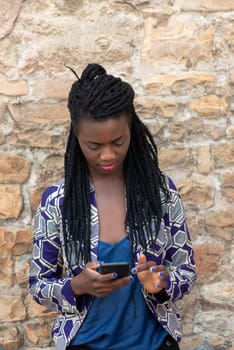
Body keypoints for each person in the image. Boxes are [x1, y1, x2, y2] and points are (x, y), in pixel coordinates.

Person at [29, 63, 196, 350]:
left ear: (131, 128)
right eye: (94, 145)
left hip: (154, 343)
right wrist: (77, 286)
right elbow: (39, 285)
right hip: (85, 343)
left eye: (118, 141)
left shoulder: (160, 192)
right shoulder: (58, 201)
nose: (108, 154)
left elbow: (186, 270)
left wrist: (162, 284)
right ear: (77, 138)